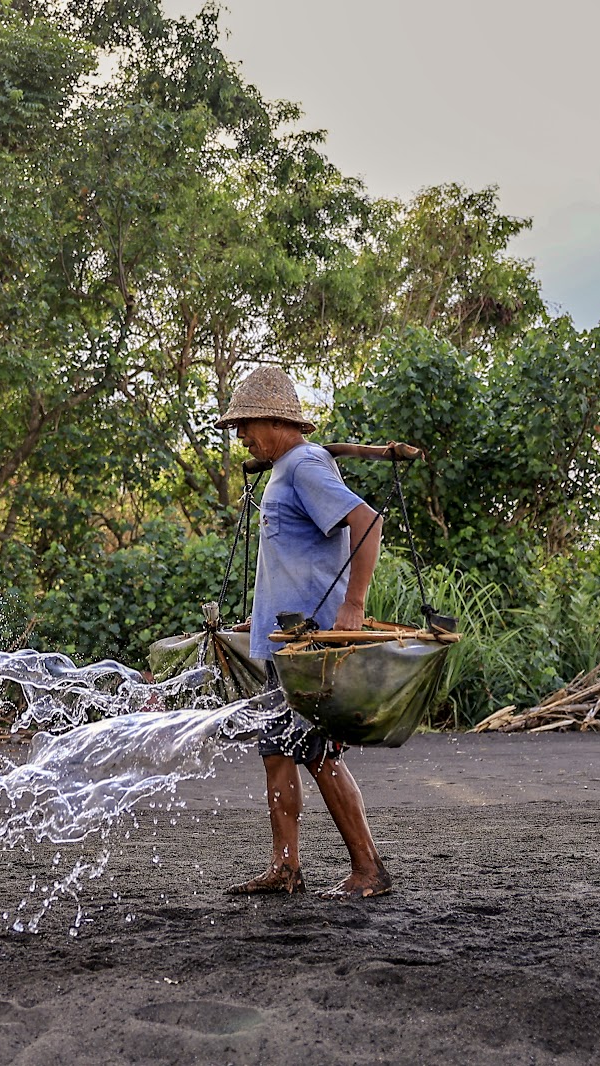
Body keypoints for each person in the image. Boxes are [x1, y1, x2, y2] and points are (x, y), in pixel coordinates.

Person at [214, 366, 393, 900]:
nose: (240, 436)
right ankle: (285, 869)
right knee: (276, 752)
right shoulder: (284, 470)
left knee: (317, 753)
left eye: (245, 425)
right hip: (282, 641)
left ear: (274, 420)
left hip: (308, 647)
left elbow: (367, 523)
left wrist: (354, 607)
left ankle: (369, 871)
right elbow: (290, 562)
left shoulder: (306, 464)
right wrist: (261, 618)